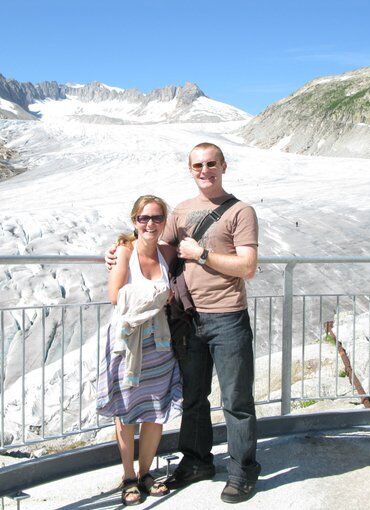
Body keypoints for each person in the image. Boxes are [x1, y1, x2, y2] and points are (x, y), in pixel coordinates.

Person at [107, 143, 260, 504]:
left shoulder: (241, 212)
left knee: (237, 399)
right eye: (197, 165)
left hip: (227, 317)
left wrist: (202, 254)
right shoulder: (181, 211)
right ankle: (196, 462)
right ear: (190, 170)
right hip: (189, 320)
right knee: (193, 398)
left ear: (223, 165)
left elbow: (248, 267)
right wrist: (119, 249)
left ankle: (242, 469)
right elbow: (155, 246)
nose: (204, 170)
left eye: (211, 164)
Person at [97, 195, 183, 506]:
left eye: (157, 218)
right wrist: (160, 294)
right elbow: (115, 296)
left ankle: (147, 472)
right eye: (144, 218)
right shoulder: (124, 251)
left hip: (159, 342)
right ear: (134, 221)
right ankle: (129, 475)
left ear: (164, 222)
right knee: (127, 409)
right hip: (128, 341)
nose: (150, 223)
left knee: (155, 408)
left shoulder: (167, 252)